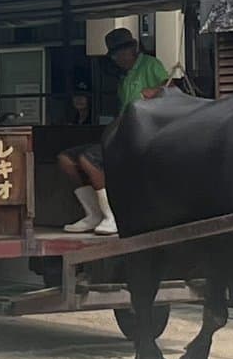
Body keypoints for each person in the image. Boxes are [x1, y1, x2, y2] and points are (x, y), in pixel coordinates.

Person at [58, 28, 168, 235]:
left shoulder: (151, 65)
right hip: (121, 134)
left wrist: (156, 92)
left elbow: (169, 88)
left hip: (144, 138)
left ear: (134, 48)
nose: (118, 58)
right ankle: (94, 214)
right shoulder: (124, 79)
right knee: (66, 159)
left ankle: (113, 217)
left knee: (88, 159)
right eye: (114, 55)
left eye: (121, 52)